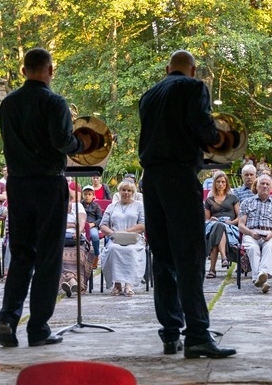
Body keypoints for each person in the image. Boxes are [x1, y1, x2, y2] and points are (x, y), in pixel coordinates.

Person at [139, 49, 236, 359]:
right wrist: (217, 136)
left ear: (168, 68)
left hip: (151, 180)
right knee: (191, 256)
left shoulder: (149, 95)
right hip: (179, 178)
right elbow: (203, 130)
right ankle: (196, 334)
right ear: (192, 71)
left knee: (163, 255)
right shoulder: (193, 88)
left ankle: (170, 333)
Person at [0, 47, 92, 348]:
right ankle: (37, 328)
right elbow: (62, 141)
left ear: (24, 71)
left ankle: (8, 318)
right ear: (51, 70)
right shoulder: (55, 102)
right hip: (48, 184)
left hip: (18, 185)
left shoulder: (8, 104)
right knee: (49, 257)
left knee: (22, 253)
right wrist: (82, 142)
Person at [237, 174, 272, 294]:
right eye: (262, 184)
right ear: (256, 186)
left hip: (269, 234)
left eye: (267, 184)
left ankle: (258, 278)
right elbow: (241, 225)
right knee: (253, 248)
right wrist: (251, 233)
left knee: (269, 247)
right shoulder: (246, 202)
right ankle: (262, 278)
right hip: (251, 233)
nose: (265, 186)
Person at [99, 182, 145, 297]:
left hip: (134, 239)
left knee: (131, 251)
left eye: (129, 191)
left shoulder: (139, 206)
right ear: (119, 192)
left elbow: (143, 225)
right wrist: (113, 233)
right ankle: (117, 284)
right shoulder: (112, 206)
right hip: (115, 238)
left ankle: (129, 284)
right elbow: (103, 225)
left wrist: (126, 232)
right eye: (123, 190)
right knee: (113, 249)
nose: (126, 193)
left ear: (133, 193)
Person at [205, 171, 240, 278]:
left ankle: (212, 269)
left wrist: (231, 222)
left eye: (223, 182)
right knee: (218, 226)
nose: (221, 184)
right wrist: (211, 219)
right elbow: (206, 219)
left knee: (219, 230)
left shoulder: (233, 198)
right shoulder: (209, 200)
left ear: (226, 184)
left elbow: (239, 217)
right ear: (215, 184)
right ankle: (224, 258)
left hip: (230, 225)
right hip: (213, 225)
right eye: (218, 182)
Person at [60, 186, 89, 298]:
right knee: (59, 254)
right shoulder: (55, 207)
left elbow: (81, 222)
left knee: (80, 254)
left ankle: (69, 282)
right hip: (61, 240)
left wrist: (78, 230)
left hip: (77, 239)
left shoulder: (78, 206)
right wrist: (72, 224)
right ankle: (72, 281)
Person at [81, 185, 103, 260]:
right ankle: (81, 255)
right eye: (85, 194)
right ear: (82, 195)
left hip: (92, 226)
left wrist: (93, 224)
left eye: (89, 194)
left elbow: (100, 218)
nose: (87, 196)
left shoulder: (96, 206)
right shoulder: (79, 205)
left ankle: (96, 255)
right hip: (81, 225)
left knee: (94, 236)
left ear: (93, 195)